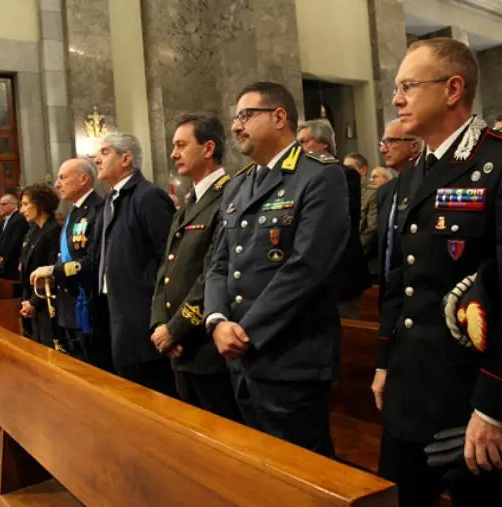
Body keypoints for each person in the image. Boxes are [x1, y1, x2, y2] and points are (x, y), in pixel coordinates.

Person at [372, 38, 502, 507]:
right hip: (409, 390)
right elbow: (400, 275)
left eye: (408, 86)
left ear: (453, 89)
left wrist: (495, 407)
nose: (396, 99)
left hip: (472, 400)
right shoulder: (415, 172)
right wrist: (384, 359)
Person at [204, 81, 349, 456]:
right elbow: (218, 264)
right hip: (240, 356)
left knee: (302, 467)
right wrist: (217, 320)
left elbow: (307, 267)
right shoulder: (238, 186)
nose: (236, 126)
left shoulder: (319, 175)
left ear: (279, 117)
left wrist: (244, 331)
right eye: (235, 118)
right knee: (260, 467)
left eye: (245, 116)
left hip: (290, 355)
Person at [53, 132, 177, 396]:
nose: (97, 159)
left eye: (105, 152)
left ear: (126, 159)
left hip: (143, 317)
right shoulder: (110, 199)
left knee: (153, 393)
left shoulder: (149, 196)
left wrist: (163, 319)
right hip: (113, 313)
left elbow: (168, 261)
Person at [150, 113, 241, 421]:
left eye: (181, 145)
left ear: (208, 148)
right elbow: (167, 269)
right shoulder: (190, 200)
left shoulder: (230, 195)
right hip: (179, 348)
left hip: (205, 346)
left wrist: (176, 329)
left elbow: (214, 272)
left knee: (222, 435)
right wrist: (159, 325)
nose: (173, 154)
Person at [30, 158, 102, 362]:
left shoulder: (97, 210)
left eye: (62, 177)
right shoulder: (75, 212)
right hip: (68, 301)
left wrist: (54, 271)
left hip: (86, 302)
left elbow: (92, 260)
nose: (57, 184)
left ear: (83, 179)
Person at [297, 118, 371, 318]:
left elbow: (336, 225)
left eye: (304, 141)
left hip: (341, 275)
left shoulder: (345, 174)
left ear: (324, 143)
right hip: (311, 280)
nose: (299, 148)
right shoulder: (299, 179)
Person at [375, 119, 423, 298]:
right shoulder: (385, 191)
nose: (383, 149)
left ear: (414, 146)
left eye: (391, 141)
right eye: (382, 143)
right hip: (389, 294)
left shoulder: (426, 186)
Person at [18, 184, 61, 348]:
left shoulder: (53, 230)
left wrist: (34, 302)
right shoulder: (32, 232)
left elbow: (50, 268)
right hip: (31, 300)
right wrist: (26, 301)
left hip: (46, 301)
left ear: (40, 204)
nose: (22, 210)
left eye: (26, 204)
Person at [0, 194, 29, 280]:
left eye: (3, 204)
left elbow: (15, 242)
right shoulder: (7, 219)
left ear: (13, 204)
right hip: (5, 263)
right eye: (0, 204)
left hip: (13, 264)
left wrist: (4, 257)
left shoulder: (18, 218)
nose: (0, 207)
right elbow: (1, 240)